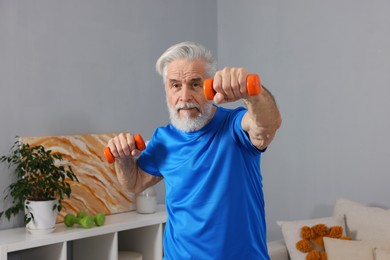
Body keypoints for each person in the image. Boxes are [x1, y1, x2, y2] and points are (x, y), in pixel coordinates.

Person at [107, 42, 281, 259]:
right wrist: (122, 159)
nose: (185, 96)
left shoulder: (234, 126)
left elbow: (267, 125)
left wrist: (251, 92)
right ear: (167, 91)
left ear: (209, 87)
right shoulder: (164, 139)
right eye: (176, 85)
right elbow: (134, 182)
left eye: (195, 84)